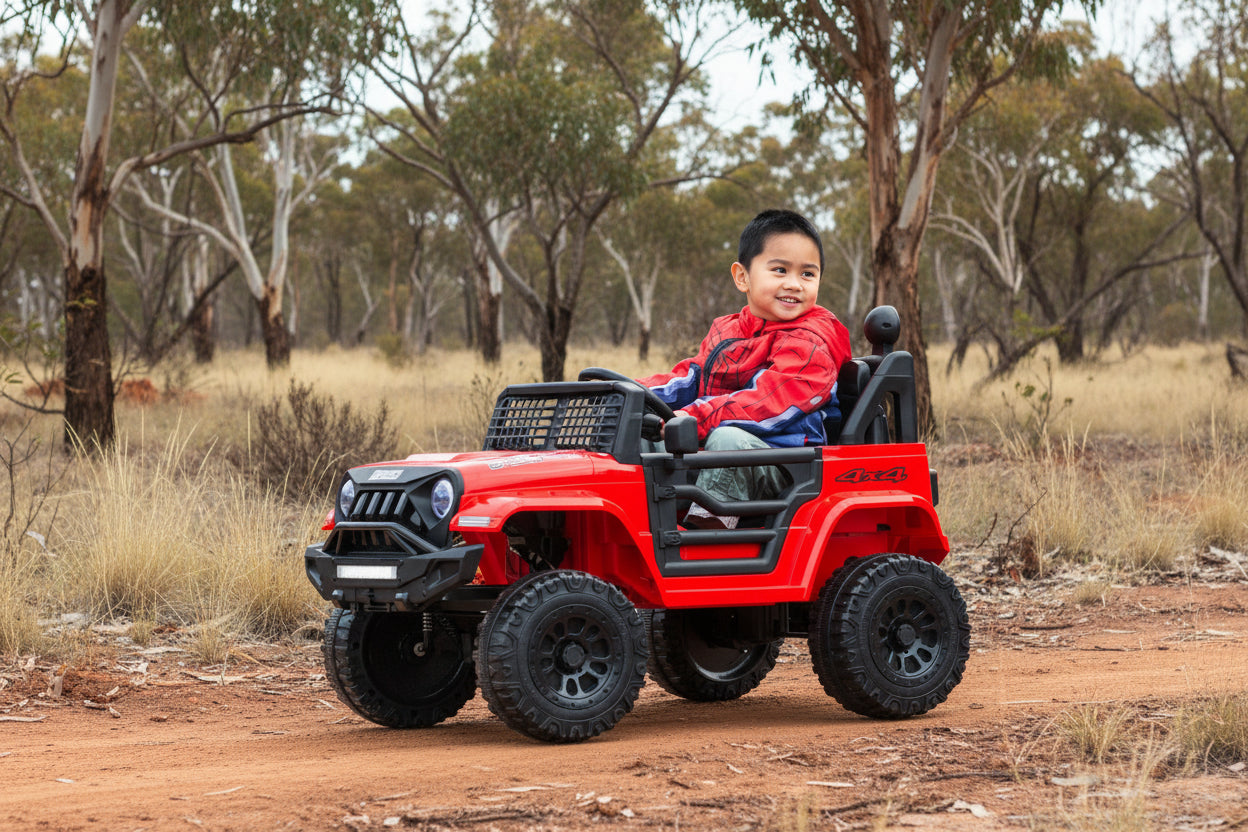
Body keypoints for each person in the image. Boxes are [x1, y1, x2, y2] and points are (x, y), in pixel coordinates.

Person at [636, 209, 852, 529]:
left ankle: (709, 536)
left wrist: (697, 418)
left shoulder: (812, 344)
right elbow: (692, 377)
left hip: (788, 466)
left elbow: (767, 402)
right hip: (723, 450)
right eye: (780, 270)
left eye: (808, 274)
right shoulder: (728, 331)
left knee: (728, 440)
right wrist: (633, 392)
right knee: (640, 434)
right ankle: (637, 526)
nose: (794, 284)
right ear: (742, 277)